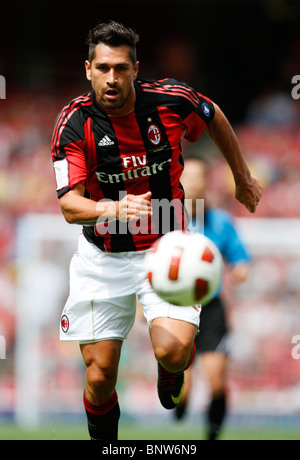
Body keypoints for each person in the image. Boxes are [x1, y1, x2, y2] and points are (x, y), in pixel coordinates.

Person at [51, 21, 263, 440]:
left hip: (168, 247)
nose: (113, 78)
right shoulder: (74, 123)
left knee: (172, 351)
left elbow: (213, 115)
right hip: (103, 257)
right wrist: (112, 208)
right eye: (104, 67)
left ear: (135, 69)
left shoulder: (171, 99)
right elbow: (69, 206)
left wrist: (241, 177)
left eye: (122, 68)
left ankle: (172, 370)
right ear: (88, 69)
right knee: (98, 376)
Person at [176, 157, 251, 440]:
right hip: (176, 306)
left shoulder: (221, 223)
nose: (192, 182)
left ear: (207, 182)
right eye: (187, 176)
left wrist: (242, 269)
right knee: (183, 382)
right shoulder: (164, 219)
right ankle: (181, 402)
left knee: (217, 380)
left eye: (198, 176)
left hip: (211, 308)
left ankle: (212, 433)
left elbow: (240, 257)